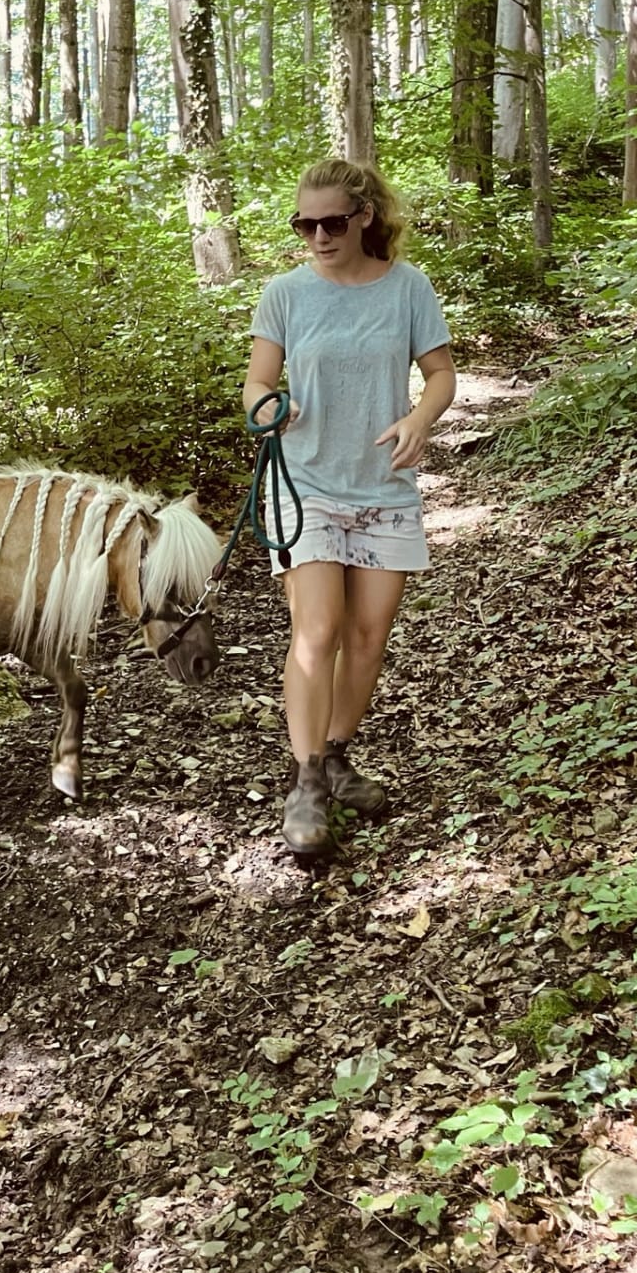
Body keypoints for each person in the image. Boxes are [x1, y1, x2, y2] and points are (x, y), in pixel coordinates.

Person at [242, 157, 456, 862]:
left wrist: (420, 418)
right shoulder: (285, 293)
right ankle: (305, 783)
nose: (318, 237)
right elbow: (256, 382)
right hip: (303, 482)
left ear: (364, 216)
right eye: (304, 226)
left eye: (331, 223)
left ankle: (335, 755)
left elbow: (441, 373)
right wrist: (267, 408)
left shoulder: (409, 287)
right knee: (318, 629)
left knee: (367, 637)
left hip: (383, 486)